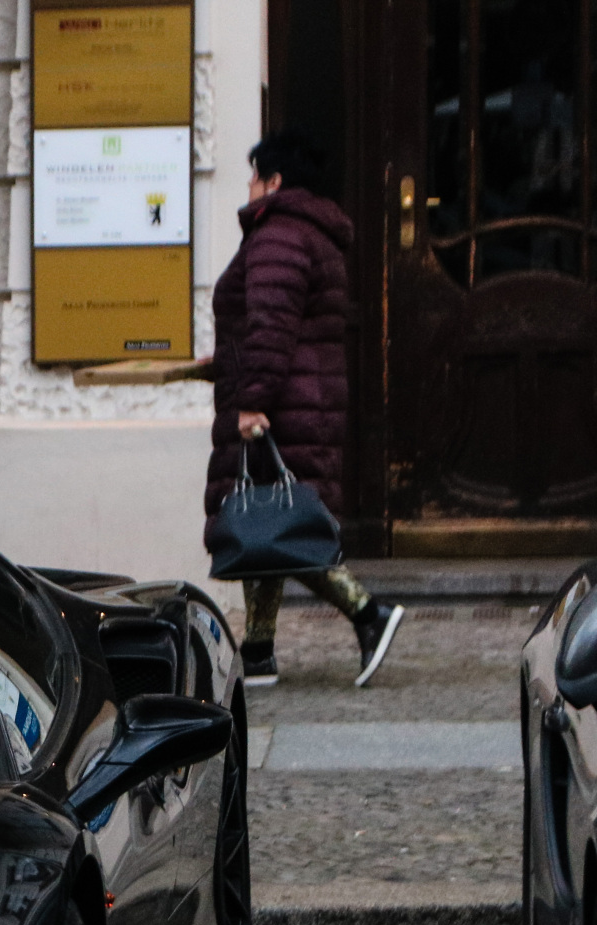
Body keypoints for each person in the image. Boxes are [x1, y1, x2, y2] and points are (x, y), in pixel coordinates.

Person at [208, 132, 405, 687]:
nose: (246, 189)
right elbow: (271, 321)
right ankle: (259, 652)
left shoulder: (278, 236)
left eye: (252, 177)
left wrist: (252, 401)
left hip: (280, 403)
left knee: (281, 525)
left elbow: (271, 325)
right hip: (294, 396)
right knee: (265, 520)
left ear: (274, 183)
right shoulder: (305, 234)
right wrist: (225, 355)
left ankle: (370, 613)